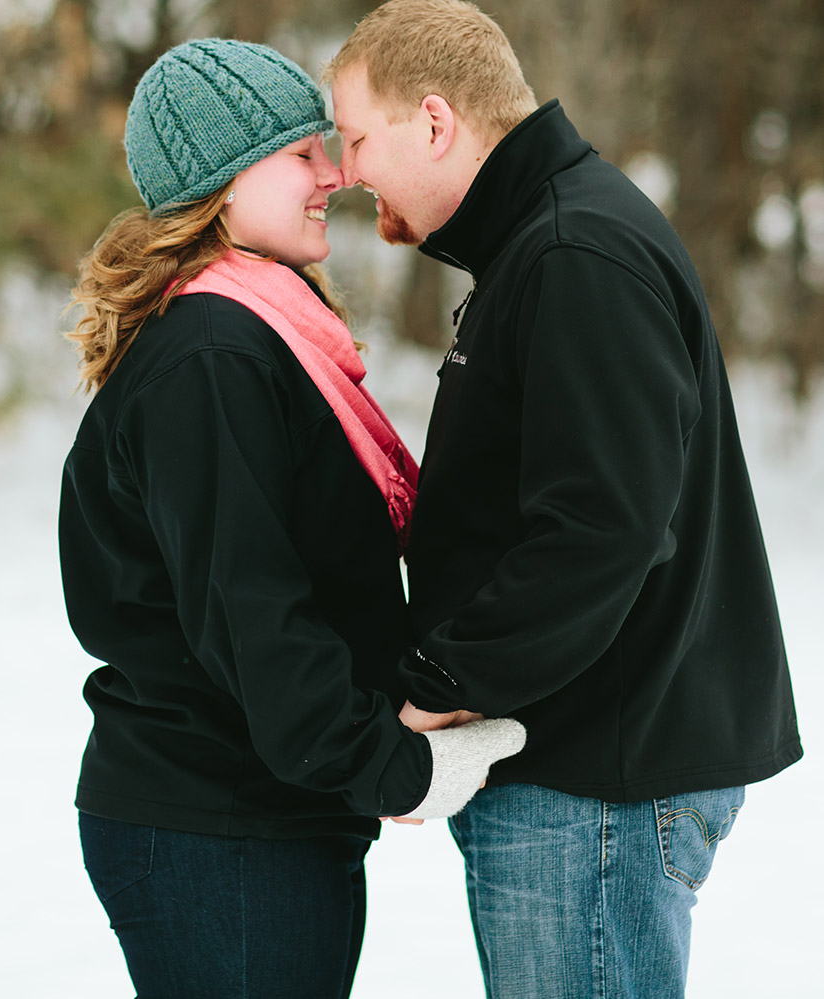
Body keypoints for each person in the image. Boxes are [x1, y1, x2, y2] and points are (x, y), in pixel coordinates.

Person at [323, 2, 803, 997]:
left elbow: (603, 526)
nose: (346, 171)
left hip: (598, 779)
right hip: (584, 763)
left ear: (437, 122)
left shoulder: (574, 252)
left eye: (358, 138)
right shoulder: (542, 243)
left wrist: (441, 676)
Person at [58, 37, 526, 999]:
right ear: (221, 182)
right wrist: (392, 766)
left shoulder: (252, 332)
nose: (335, 173)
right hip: (215, 825)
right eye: (300, 153)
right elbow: (253, 610)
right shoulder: (212, 356)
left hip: (257, 815)